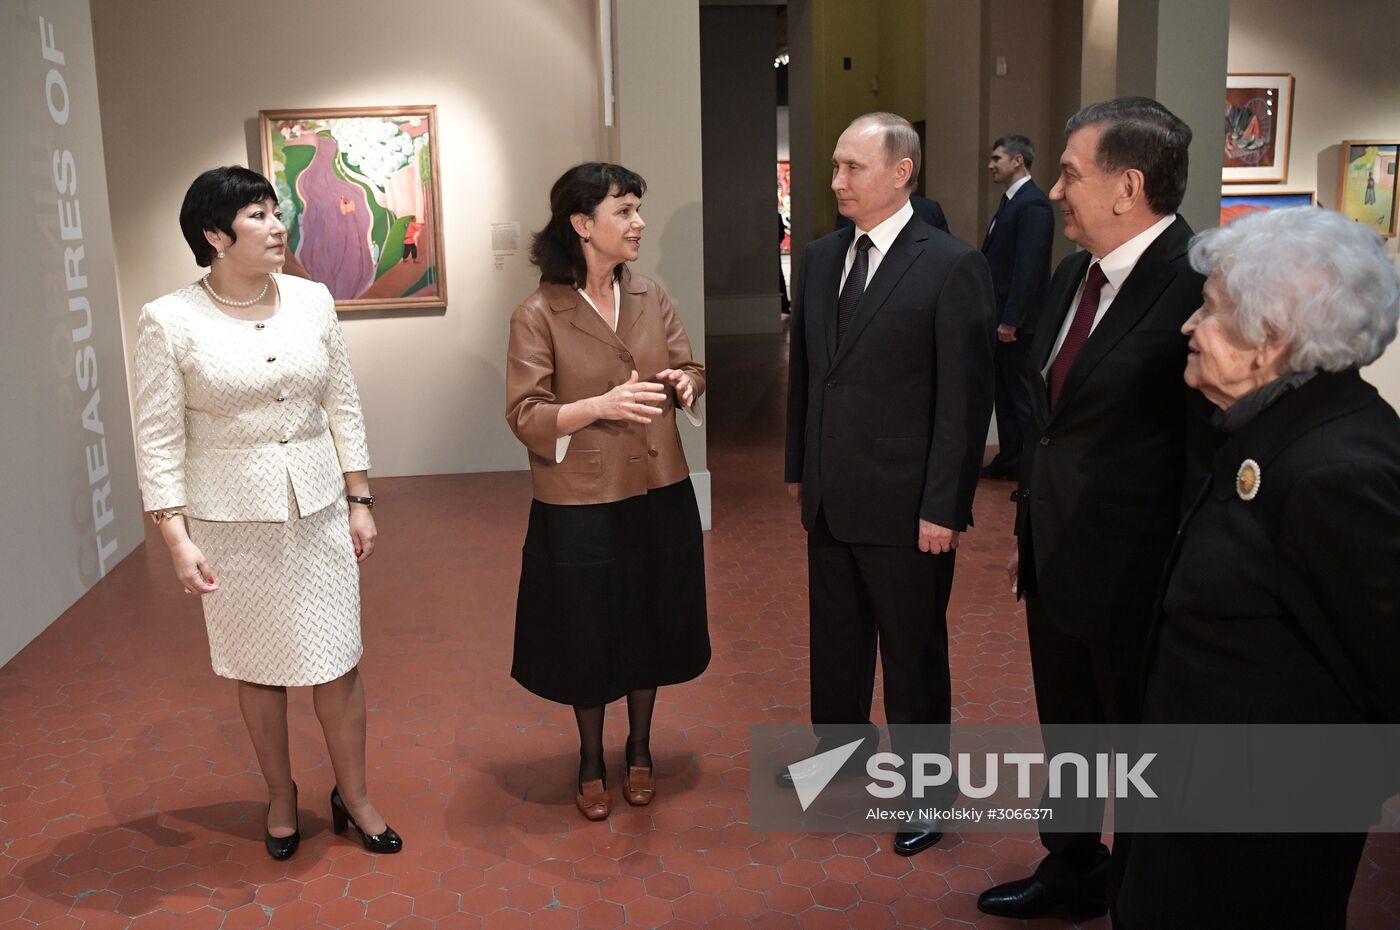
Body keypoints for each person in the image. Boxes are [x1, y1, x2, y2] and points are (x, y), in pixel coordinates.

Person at [1116, 206, 1400, 930]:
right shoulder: (1273, 426)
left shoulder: (1339, 468)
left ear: (1268, 342)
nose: (1188, 326)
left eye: (1207, 311)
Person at [979, 97, 1208, 920]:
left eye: (1070, 174)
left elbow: (1204, 455)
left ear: (1128, 187)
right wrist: (1027, 529)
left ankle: (1141, 893)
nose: (1053, 192)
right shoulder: (1075, 274)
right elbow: (1050, 423)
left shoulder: (1202, 283)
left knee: (1141, 750)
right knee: (1070, 734)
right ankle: (1072, 865)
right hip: (1057, 558)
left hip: (1142, 579)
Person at [133, 166, 401, 861]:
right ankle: (280, 794)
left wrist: (360, 498)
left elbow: (342, 400)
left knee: (339, 662)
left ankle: (356, 794)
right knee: (259, 669)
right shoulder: (169, 320)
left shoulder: (313, 301)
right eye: (257, 216)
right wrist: (175, 537)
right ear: (215, 235)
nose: (278, 225)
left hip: (317, 511)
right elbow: (158, 435)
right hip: (231, 523)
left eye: (275, 211)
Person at [784, 112, 995, 856]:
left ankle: (926, 794)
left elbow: (962, 404)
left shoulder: (949, 264)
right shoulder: (817, 258)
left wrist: (945, 505)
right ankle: (838, 766)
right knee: (835, 648)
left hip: (910, 508)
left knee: (912, 655)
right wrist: (800, 472)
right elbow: (811, 377)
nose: (836, 180)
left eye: (852, 167)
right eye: (835, 167)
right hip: (833, 499)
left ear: (900, 173)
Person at [505, 162, 709, 822]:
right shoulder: (539, 312)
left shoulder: (651, 294)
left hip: (659, 487)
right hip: (582, 499)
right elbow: (527, 414)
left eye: (638, 208)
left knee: (649, 618)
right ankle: (592, 756)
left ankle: (641, 748)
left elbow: (689, 364)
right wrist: (600, 405)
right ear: (582, 224)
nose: (638, 222)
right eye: (624, 211)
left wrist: (684, 384)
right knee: (589, 630)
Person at [979, 134, 1054, 479]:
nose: (991, 165)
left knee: (1022, 399)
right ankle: (1010, 460)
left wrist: (1011, 320)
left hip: (1017, 326)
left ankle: (1029, 472)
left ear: (1018, 161)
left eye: (997, 158)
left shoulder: (1033, 205)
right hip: (1001, 319)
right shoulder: (1011, 203)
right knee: (1005, 395)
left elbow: (1029, 268)